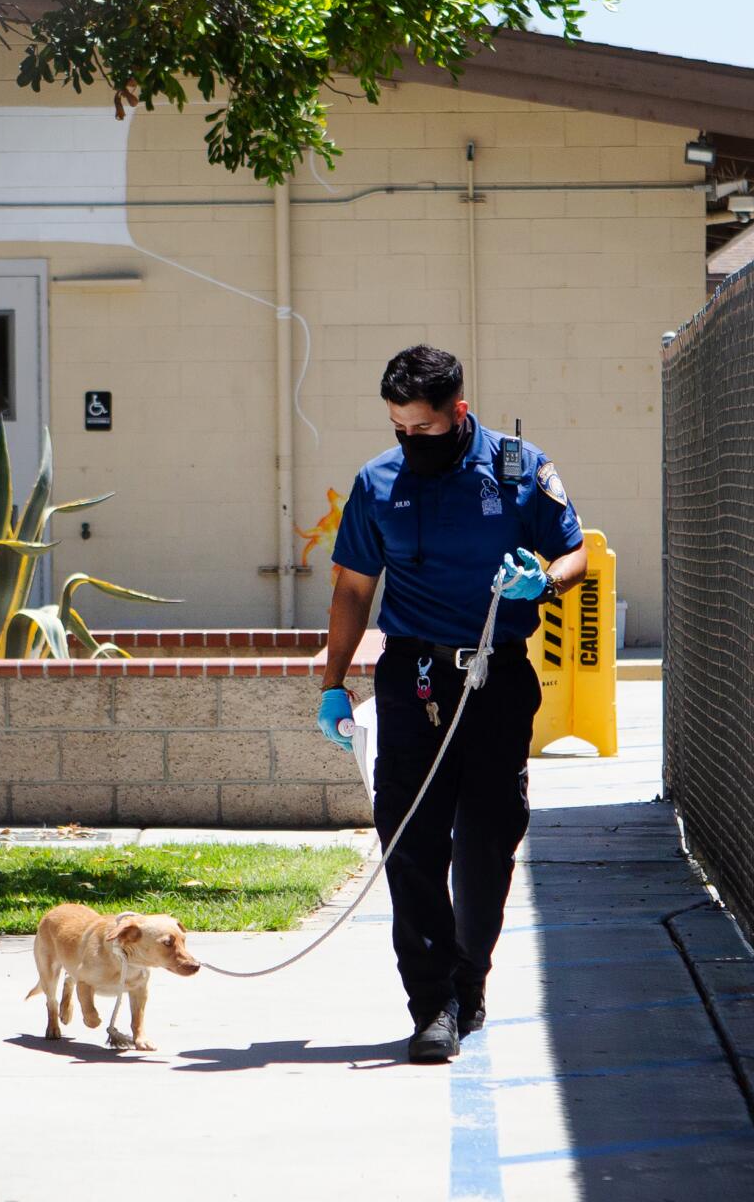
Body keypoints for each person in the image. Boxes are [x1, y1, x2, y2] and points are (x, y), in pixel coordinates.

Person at [313, 345, 589, 1064]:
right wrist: (333, 683)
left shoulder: (519, 468)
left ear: (459, 412)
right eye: (399, 429)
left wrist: (545, 583)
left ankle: (471, 977)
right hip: (413, 680)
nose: (410, 443)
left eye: (425, 431)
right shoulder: (378, 483)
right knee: (409, 844)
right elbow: (351, 588)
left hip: (497, 679)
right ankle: (431, 1004)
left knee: (488, 841)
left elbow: (575, 555)